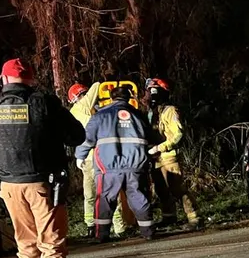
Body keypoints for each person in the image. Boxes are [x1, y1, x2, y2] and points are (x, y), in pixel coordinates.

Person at [0, 58, 85, 258]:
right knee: (52, 243)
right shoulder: (43, 103)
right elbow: (76, 136)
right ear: (32, 79)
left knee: (24, 240)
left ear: (3, 79)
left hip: (8, 185)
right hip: (42, 184)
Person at [75, 86, 159, 242]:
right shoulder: (138, 115)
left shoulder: (101, 115)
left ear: (111, 98)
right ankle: (148, 231)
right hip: (136, 164)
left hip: (108, 166)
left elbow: (87, 139)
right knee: (139, 197)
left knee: (105, 200)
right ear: (128, 98)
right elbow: (154, 138)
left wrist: (80, 156)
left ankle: (102, 235)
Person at [69, 82, 134, 235]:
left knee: (90, 194)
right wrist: (106, 85)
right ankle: (119, 228)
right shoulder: (83, 106)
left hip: (87, 159)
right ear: (79, 97)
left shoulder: (80, 112)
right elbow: (96, 86)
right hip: (99, 157)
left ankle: (92, 226)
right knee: (111, 191)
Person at [143, 78, 201, 230]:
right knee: (161, 189)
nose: (149, 94)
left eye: (151, 90)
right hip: (155, 158)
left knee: (177, 189)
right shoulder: (151, 113)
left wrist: (161, 147)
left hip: (168, 156)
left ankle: (194, 218)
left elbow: (178, 134)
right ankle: (169, 217)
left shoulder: (170, 111)